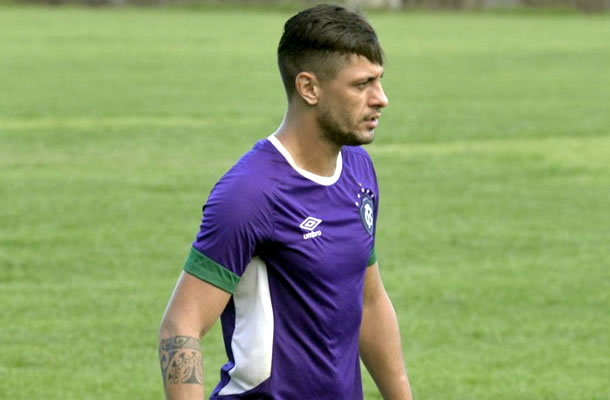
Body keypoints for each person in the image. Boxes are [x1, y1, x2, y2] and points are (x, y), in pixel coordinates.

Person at [159, 4, 412, 399]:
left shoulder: (358, 171)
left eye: (379, 80)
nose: (381, 99)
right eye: (362, 84)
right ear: (309, 88)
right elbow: (181, 327)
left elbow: (370, 300)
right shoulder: (251, 193)